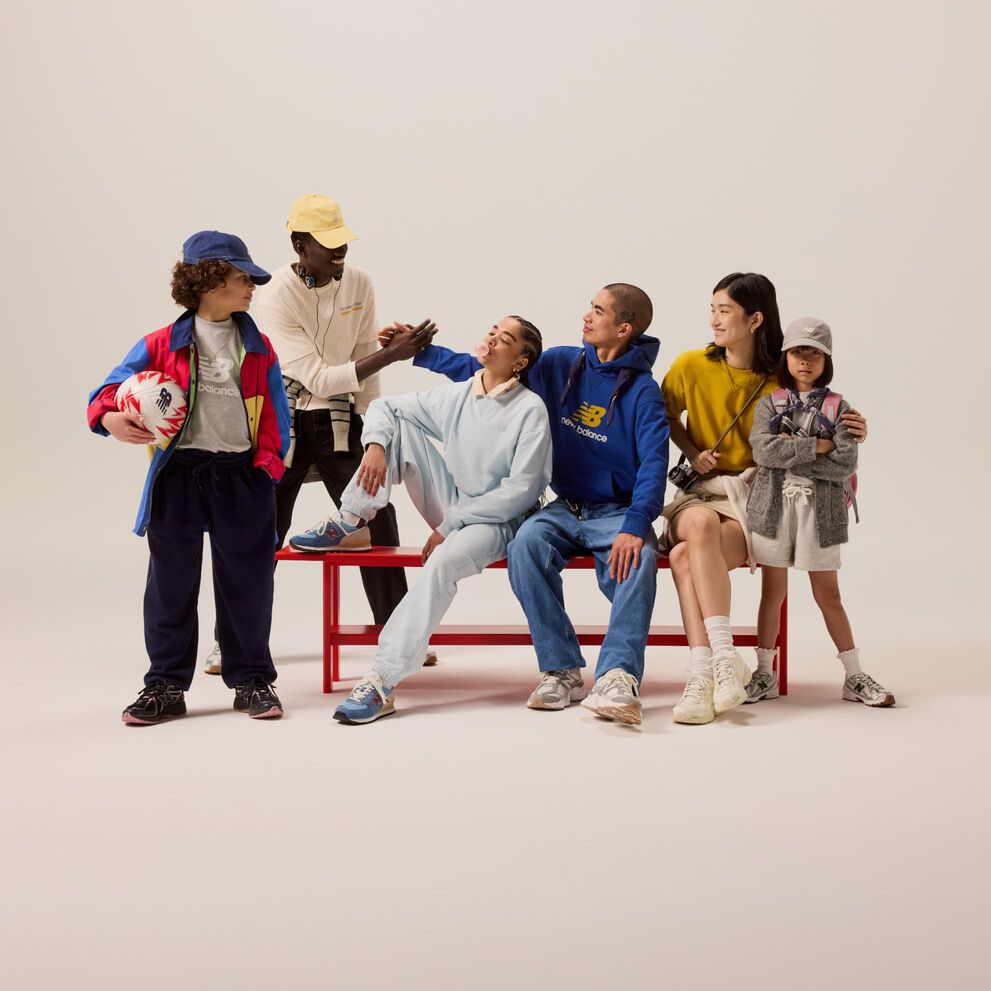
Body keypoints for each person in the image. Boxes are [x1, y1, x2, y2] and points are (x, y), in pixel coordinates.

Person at [409, 285, 668, 726]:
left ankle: (618, 676)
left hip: (619, 512)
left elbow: (655, 464)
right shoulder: (559, 364)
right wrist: (423, 353)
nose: (587, 316)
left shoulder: (643, 392)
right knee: (527, 543)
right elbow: (487, 369)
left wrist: (636, 524)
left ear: (623, 329)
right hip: (566, 507)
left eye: (598, 311)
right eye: (590, 306)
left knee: (639, 557)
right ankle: (561, 669)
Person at [201, 194, 437, 676]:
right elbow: (317, 376)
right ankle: (232, 640)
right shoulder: (276, 294)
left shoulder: (360, 282)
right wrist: (393, 355)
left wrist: (376, 435)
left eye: (341, 242)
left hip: (340, 418)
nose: (338, 252)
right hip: (283, 418)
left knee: (377, 515)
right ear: (299, 245)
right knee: (262, 528)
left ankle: (396, 633)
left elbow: (363, 371)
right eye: (326, 244)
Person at [290, 316, 551, 723]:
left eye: (506, 339)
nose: (492, 340)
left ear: (521, 361)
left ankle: (381, 680)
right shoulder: (461, 394)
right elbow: (384, 406)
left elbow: (520, 491)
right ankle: (352, 518)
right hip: (456, 506)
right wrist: (375, 446)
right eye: (492, 332)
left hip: (500, 521)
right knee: (396, 426)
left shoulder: (530, 410)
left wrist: (450, 526)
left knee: (441, 564)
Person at [87, 231, 291, 724]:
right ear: (209, 279)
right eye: (242, 277)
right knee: (170, 583)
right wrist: (110, 418)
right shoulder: (160, 343)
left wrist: (267, 467)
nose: (251, 288)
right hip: (179, 475)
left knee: (248, 582)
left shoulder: (258, 345)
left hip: (242, 477)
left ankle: (252, 680)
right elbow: (108, 391)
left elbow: (279, 419)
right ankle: (164, 685)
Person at [661, 273, 867, 725]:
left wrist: (854, 429)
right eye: (712, 309)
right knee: (695, 528)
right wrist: (693, 454)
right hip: (697, 496)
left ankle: (702, 674)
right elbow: (663, 417)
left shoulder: (779, 376)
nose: (713, 319)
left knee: (682, 558)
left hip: (750, 500)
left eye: (724, 311)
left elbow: (824, 417)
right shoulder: (690, 365)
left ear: (755, 319)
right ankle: (723, 657)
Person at [745, 318, 894, 706]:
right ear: (786, 356)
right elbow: (763, 452)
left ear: (826, 360)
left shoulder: (840, 406)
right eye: (798, 352)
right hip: (774, 507)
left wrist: (793, 451)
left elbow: (845, 463)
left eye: (815, 353)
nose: (806, 361)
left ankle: (854, 674)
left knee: (828, 594)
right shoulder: (769, 403)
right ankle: (764, 672)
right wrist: (819, 445)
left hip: (822, 510)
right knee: (772, 591)